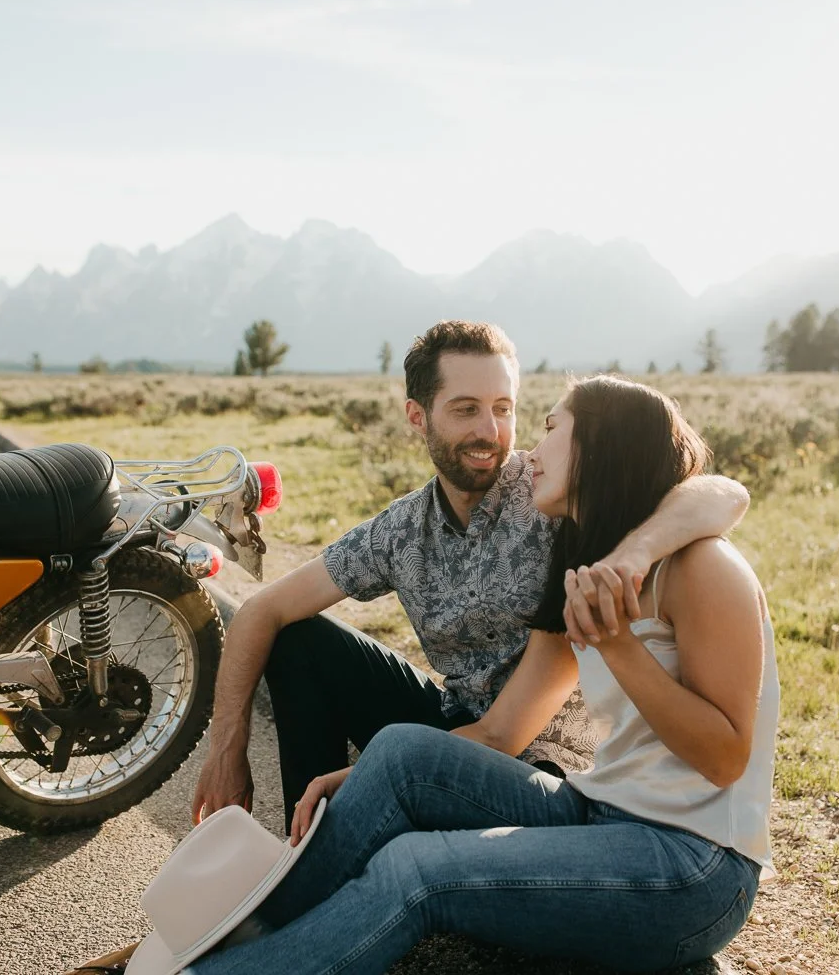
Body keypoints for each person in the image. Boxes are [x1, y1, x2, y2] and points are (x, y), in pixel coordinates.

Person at [183, 374, 779, 974]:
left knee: (416, 870)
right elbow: (501, 732)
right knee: (398, 753)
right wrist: (356, 779)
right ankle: (247, 929)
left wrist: (618, 643)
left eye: (548, 428)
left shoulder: (703, 569)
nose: (532, 450)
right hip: (601, 812)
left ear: (598, 447)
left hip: (695, 868)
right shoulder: (584, 558)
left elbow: (726, 757)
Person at [190, 322, 751, 830]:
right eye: (465, 409)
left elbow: (718, 491)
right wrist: (226, 748)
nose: (491, 431)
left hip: (546, 771)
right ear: (418, 416)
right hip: (458, 726)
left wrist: (634, 553)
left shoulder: (555, 494)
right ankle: (306, 846)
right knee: (299, 640)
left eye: (503, 408)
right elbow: (262, 610)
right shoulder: (403, 528)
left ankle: (336, 848)